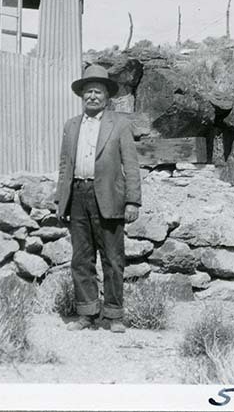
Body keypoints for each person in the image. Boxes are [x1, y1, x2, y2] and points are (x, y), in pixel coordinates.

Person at [55, 63, 142, 333]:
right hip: (78, 196)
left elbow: (131, 164)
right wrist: (61, 200)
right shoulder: (71, 126)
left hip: (109, 198)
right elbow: (64, 166)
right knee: (81, 258)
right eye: (88, 92)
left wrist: (132, 201)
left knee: (113, 259)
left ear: (107, 97)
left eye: (98, 92)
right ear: (82, 96)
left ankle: (114, 315)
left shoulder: (120, 124)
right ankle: (87, 313)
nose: (93, 97)